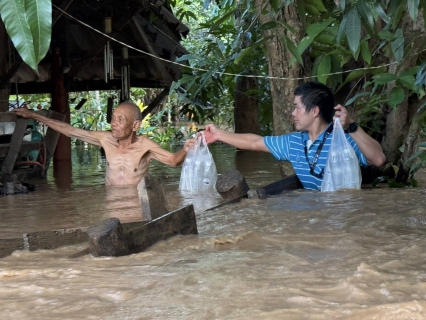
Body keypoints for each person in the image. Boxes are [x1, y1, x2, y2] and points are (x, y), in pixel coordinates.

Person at [203, 81, 386, 191]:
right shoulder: (294, 142)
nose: (293, 113)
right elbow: (255, 142)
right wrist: (219, 134)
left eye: (297, 107)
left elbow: (378, 159)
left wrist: (352, 125)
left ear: (314, 111)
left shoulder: (342, 142)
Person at [14, 101, 196, 186]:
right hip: (112, 202)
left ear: (135, 125)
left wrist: (185, 149)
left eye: (120, 120)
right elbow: (69, 130)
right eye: (113, 118)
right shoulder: (105, 139)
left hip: (136, 203)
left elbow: (173, 161)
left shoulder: (145, 146)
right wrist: (34, 115)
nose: (113, 124)